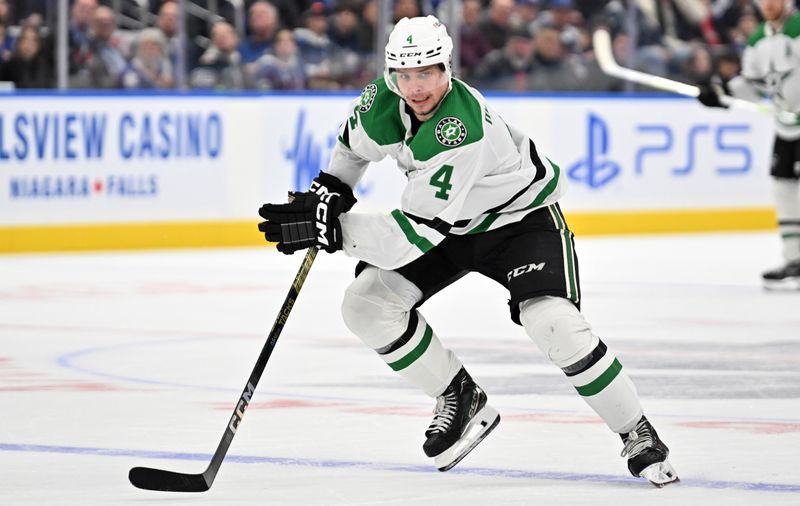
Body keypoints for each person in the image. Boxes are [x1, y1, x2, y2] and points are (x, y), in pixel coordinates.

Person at [257, 15, 679, 486]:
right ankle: (458, 395)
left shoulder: (460, 128)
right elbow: (353, 150)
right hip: (450, 225)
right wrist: (331, 191)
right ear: (392, 73)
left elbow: (409, 237)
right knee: (366, 305)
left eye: (427, 73)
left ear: (447, 68)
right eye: (405, 74)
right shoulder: (382, 97)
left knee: (553, 322)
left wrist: (331, 230)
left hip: (518, 225)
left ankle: (635, 429)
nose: (416, 87)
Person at [698, 0, 800, 289]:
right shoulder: (757, 39)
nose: (768, 4)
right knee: (784, 187)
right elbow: (754, 85)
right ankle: (794, 259)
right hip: (786, 125)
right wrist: (721, 94)